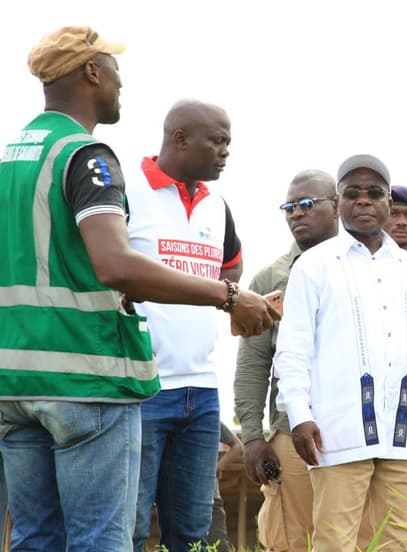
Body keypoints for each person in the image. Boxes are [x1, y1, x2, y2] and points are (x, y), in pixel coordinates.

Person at [0, 26, 275, 552]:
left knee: (35, 537)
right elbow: (116, 265)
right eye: (116, 70)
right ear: (92, 73)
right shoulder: (86, 156)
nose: (121, 83)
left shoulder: (11, 158)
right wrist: (229, 296)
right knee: (103, 537)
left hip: (16, 380)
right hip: (86, 377)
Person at [275, 154, 407, 551]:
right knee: (335, 543)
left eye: (374, 193)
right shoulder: (314, 266)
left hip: (406, 436)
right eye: (352, 194)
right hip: (336, 434)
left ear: (388, 203)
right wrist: (300, 415)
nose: (363, 201)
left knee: (402, 542)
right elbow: (292, 351)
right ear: (338, 202)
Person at [127, 100, 254, 552]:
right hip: (139, 389)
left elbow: (231, 273)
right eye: (216, 141)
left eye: (228, 143)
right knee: (130, 527)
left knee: (194, 532)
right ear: (179, 138)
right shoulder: (126, 189)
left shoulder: (216, 204)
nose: (224, 152)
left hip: (201, 393)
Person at [234, 170, 339, 551]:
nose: (297, 214)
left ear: (337, 205)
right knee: (292, 539)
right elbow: (253, 363)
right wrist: (252, 437)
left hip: (357, 430)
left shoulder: (366, 267)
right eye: (289, 207)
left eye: (307, 204)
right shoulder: (271, 278)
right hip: (292, 432)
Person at [207, 422, 244, 552]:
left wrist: (216, 467)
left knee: (218, 545)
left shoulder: (207, 414)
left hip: (210, 498)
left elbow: (237, 445)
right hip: (179, 499)